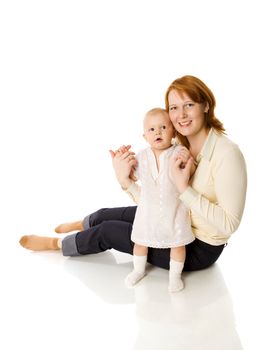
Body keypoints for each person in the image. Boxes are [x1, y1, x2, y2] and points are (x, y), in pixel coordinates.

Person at [19, 75, 247, 283]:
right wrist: (126, 181)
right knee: (106, 215)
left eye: (189, 105)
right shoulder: (178, 146)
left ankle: (56, 244)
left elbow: (230, 223)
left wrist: (184, 188)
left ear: (206, 105)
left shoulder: (227, 155)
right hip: (172, 215)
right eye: (174, 108)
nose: (181, 115)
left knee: (109, 230)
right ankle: (80, 224)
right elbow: (156, 199)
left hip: (197, 246)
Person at [122, 107, 195, 292]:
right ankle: (138, 270)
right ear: (145, 135)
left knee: (178, 245)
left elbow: (189, 172)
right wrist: (124, 164)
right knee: (140, 242)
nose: (158, 132)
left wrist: (188, 160)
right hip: (147, 211)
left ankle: (175, 277)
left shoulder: (178, 151)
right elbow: (132, 176)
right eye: (152, 130)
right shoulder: (141, 157)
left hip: (174, 210)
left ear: (173, 131)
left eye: (163, 127)